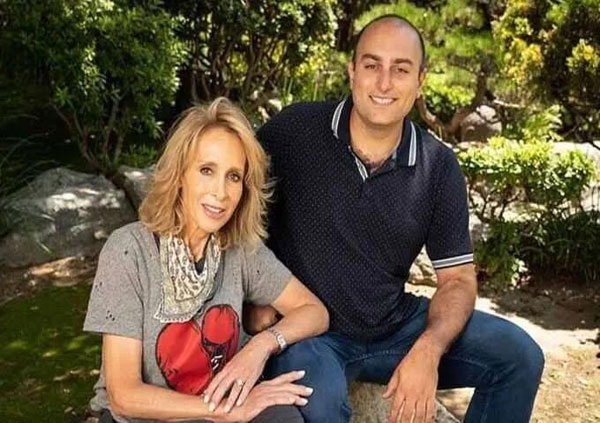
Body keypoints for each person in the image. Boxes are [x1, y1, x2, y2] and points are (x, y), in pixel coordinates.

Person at [249, 14, 545, 423]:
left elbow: (457, 280)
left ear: (420, 80)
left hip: (394, 328)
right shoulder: (293, 132)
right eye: (372, 65)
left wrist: (429, 349)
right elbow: (231, 209)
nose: (384, 82)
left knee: (520, 357)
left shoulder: (437, 166)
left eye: (401, 69)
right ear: (352, 71)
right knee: (320, 405)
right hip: (311, 333)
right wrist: (255, 296)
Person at [83, 97, 329, 423]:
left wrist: (260, 347)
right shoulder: (128, 251)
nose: (220, 192)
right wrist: (226, 411)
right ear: (179, 174)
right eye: (206, 170)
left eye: (233, 177)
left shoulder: (240, 250)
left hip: (217, 406)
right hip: (145, 418)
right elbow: (124, 396)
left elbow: (314, 312)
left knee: (287, 417)